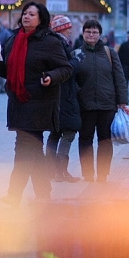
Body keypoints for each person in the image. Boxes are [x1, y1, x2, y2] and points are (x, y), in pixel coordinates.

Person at [0, 2, 72, 207]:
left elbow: (66, 68)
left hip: (40, 103)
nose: (26, 17)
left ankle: (14, 194)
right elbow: (9, 71)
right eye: (25, 13)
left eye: (31, 14)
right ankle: (44, 192)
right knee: (33, 150)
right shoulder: (14, 39)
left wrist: (51, 77)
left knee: (23, 149)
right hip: (18, 101)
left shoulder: (50, 42)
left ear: (41, 18)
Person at [71, 19, 129, 183]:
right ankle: (88, 174)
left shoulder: (110, 53)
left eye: (94, 32)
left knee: (105, 140)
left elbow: (119, 78)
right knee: (85, 139)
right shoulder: (76, 54)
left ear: (100, 34)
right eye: (88, 31)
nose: (91, 35)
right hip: (85, 105)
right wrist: (77, 93)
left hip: (107, 104)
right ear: (83, 33)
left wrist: (122, 100)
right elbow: (71, 79)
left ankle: (103, 174)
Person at [47, 15, 82, 183]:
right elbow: (65, 69)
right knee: (68, 133)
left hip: (56, 96)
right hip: (65, 96)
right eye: (68, 28)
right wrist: (76, 61)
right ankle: (60, 171)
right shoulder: (60, 45)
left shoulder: (53, 43)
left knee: (55, 134)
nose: (70, 30)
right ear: (61, 29)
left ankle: (51, 171)